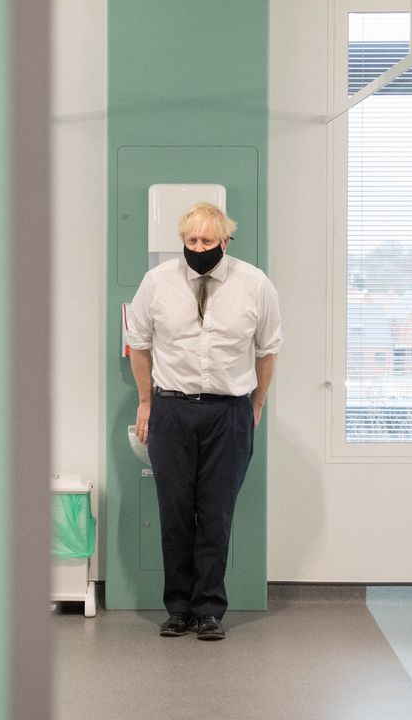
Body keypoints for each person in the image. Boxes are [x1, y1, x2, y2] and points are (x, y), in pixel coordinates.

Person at [127, 201, 282, 641]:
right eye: (191, 241)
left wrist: (256, 405)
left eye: (207, 241)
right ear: (182, 241)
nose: (198, 248)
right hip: (172, 410)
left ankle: (210, 609)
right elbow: (138, 344)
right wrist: (145, 403)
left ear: (224, 241)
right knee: (174, 513)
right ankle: (178, 608)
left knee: (216, 514)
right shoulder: (156, 283)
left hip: (228, 412)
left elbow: (268, 351)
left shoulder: (255, 284)